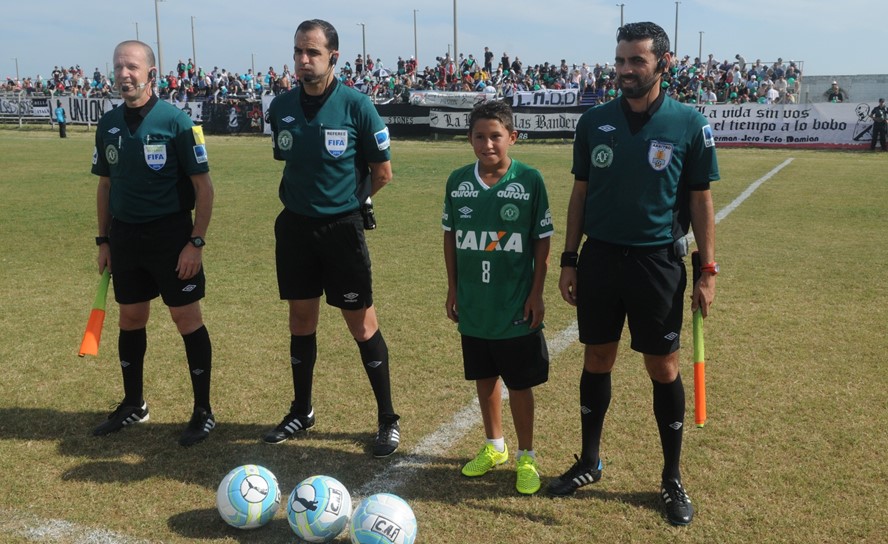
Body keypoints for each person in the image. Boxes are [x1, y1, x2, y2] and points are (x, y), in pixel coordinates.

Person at [548, 22, 718, 527]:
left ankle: (670, 476)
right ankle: (589, 460)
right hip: (600, 259)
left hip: (657, 263)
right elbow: (580, 193)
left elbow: (700, 199)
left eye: (636, 61)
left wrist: (707, 269)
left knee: (661, 368)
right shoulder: (594, 121)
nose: (624, 70)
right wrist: (569, 258)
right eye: (620, 61)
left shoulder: (689, 123)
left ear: (663, 63)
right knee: (597, 357)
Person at [264, 19, 400, 458]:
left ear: (334, 57)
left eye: (313, 53)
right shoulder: (281, 106)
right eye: (299, 52)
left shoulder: (358, 106)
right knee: (300, 322)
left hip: (342, 230)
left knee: (362, 324)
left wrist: (352, 204)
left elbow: (383, 173)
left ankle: (387, 419)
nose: (304, 61)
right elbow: (288, 159)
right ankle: (301, 410)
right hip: (295, 228)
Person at [90, 40, 216, 447]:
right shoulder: (107, 123)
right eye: (118, 67)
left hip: (170, 237)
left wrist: (195, 242)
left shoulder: (177, 122)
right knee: (130, 319)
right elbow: (105, 186)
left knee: (186, 320)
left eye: (132, 67)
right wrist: (104, 240)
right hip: (125, 238)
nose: (124, 74)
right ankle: (134, 403)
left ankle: (203, 411)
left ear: (151, 73)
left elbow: (204, 188)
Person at [442, 101, 553, 495]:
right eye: (479, 136)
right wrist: (454, 288)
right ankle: (494, 446)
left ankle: (526, 456)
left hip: (515, 303)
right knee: (484, 377)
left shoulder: (530, 180)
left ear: (512, 137)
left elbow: (541, 241)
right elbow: (452, 236)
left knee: (520, 383)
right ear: (469, 138)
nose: (487, 144)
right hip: (475, 303)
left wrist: (536, 293)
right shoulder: (458, 181)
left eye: (495, 136)